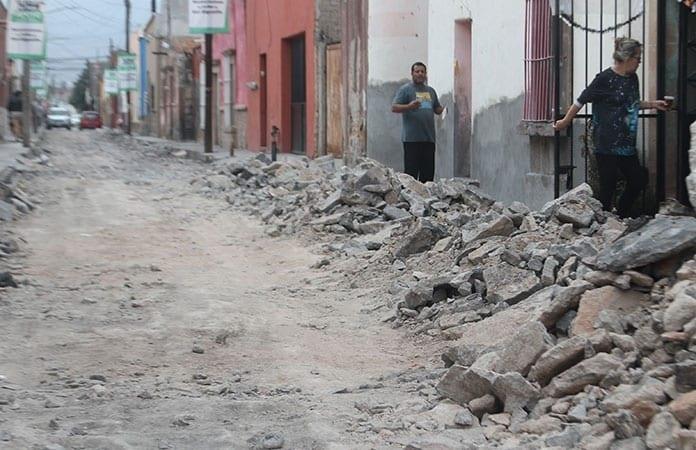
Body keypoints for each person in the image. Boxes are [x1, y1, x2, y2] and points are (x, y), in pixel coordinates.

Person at [554, 37, 668, 218]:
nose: (639, 62)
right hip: (606, 143)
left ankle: (620, 215)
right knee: (608, 186)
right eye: (638, 58)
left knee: (638, 180)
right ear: (627, 58)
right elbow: (580, 100)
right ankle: (604, 225)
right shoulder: (604, 79)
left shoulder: (633, 79)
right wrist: (565, 121)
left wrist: (654, 104)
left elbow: (632, 103)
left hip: (626, 144)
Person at [392, 62, 444, 183]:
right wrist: (409, 106)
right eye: (417, 71)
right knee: (411, 175)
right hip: (412, 140)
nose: (420, 74)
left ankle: (426, 195)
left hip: (429, 139)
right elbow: (394, 107)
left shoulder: (431, 91)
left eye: (422, 72)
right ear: (412, 73)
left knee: (428, 175)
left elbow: (436, 108)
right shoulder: (405, 90)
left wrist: (443, 110)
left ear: (426, 74)